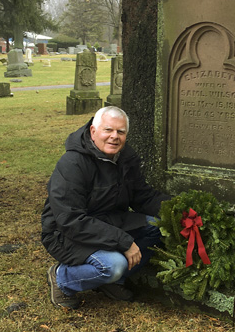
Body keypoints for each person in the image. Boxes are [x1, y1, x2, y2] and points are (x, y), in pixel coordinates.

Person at [41, 106, 169, 309]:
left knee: (158, 227)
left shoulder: (125, 157)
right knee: (113, 265)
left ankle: (111, 283)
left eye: (120, 132)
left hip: (108, 221)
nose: (114, 137)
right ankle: (62, 277)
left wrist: (177, 210)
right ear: (93, 131)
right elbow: (70, 220)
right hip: (66, 233)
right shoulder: (72, 163)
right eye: (108, 130)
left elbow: (142, 196)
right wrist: (124, 241)